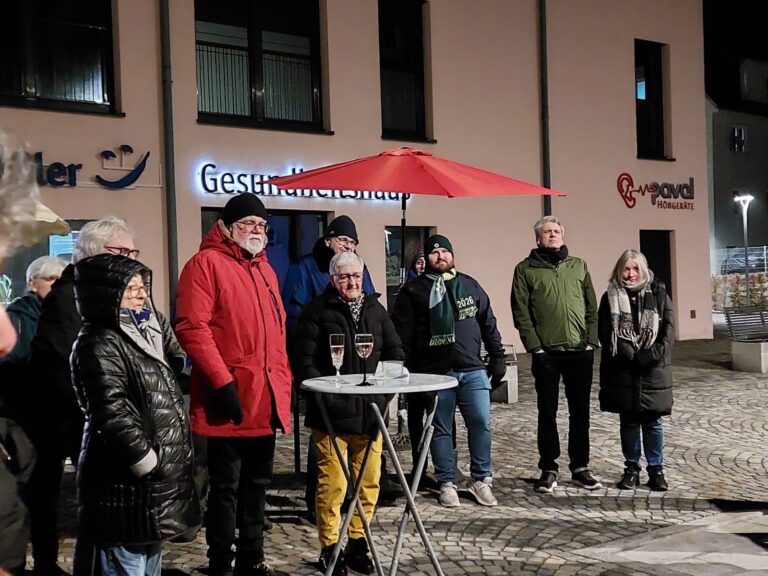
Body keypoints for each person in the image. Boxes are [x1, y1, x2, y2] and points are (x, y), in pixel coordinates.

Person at [175, 193, 292, 576]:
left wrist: (284, 383)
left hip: (266, 394)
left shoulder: (266, 270)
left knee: (258, 483)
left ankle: (252, 557)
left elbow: (276, 333)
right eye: (249, 224)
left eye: (262, 225)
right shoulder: (205, 265)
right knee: (226, 486)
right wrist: (221, 382)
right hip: (229, 395)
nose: (257, 231)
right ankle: (221, 561)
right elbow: (192, 327)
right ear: (227, 227)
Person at [71, 254, 200, 576]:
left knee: (148, 558)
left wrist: (158, 330)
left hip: (151, 483)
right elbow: (110, 412)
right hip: (124, 479)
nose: (141, 295)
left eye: (142, 287)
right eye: (131, 289)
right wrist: (146, 461)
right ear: (108, 294)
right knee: (125, 562)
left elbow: (175, 363)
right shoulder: (99, 342)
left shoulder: (144, 331)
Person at [25, 216, 138, 576]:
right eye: (122, 251)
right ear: (93, 254)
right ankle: (47, 564)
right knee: (53, 495)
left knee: (96, 499)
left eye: (132, 251)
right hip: (62, 416)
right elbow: (74, 363)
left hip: (92, 413)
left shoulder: (111, 293)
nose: (131, 259)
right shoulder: (69, 297)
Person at [297, 252, 404, 576]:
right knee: (333, 485)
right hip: (331, 418)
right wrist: (329, 396)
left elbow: (396, 353)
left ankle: (357, 541)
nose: (352, 282)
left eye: (356, 275)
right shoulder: (317, 311)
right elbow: (303, 363)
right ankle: (330, 546)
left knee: (369, 482)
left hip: (370, 415)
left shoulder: (376, 309)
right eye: (344, 276)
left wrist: (382, 395)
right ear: (333, 279)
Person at [280, 215, 385, 520]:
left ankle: (356, 505)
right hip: (322, 365)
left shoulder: (356, 267)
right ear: (328, 240)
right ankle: (319, 502)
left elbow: (371, 304)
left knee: (364, 444)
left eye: (352, 242)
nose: (347, 245)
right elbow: (293, 314)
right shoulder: (304, 268)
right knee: (324, 443)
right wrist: (324, 320)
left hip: (358, 369)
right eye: (343, 240)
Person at [393, 234, 506, 508]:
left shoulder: (469, 285)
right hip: (435, 372)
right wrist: (405, 368)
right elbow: (403, 334)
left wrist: (497, 355)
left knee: (481, 423)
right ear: (426, 259)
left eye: (445, 251)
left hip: (472, 369)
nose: (440, 256)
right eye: (434, 252)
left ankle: (481, 479)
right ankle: (446, 482)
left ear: (452, 255)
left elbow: (487, 321)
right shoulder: (414, 290)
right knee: (440, 428)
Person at [510, 215, 601, 494]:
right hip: (547, 354)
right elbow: (520, 310)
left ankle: (580, 468)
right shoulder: (525, 269)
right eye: (547, 232)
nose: (552, 235)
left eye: (557, 231)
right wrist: (535, 346)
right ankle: (548, 468)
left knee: (580, 413)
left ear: (563, 235)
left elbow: (591, 307)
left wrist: (590, 341)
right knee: (547, 412)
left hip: (579, 351)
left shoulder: (578, 266)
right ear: (537, 238)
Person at [598, 250, 674, 491]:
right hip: (623, 371)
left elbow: (668, 332)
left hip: (653, 371)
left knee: (653, 423)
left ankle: (656, 470)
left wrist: (648, 356)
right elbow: (605, 332)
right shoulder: (609, 297)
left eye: (635, 269)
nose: (631, 274)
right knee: (629, 423)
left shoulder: (659, 294)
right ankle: (631, 469)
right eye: (626, 269)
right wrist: (632, 355)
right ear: (619, 271)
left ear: (643, 270)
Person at [0, 257, 67, 416]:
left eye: (63, 280)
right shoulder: (16, 318)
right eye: (52, 278)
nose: (58, 285)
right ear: (32, 283)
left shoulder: (68, 316)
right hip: (25, 407)